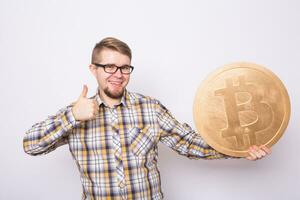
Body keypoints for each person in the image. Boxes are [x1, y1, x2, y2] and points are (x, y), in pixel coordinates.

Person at [23, 37, 271, 200]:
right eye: (109, 67)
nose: (118, 74)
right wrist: (72, 116)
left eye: (124, 67)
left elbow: (190, 143)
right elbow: (30, 145)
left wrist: (238, 149)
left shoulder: (150, 108)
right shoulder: (76, 113)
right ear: (93, 69)